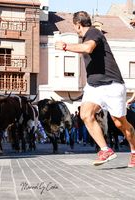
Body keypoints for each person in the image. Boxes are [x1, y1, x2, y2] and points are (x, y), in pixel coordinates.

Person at [55, 11, 135, 167]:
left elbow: (88, 48)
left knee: (119, 123)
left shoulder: (94, 32)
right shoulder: (88, 35)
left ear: (77, 25)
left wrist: (65, 46)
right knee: (85, 114)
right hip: (94, 86)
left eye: (75, 26)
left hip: (112, 85)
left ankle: (134, 151)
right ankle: (106, 150)